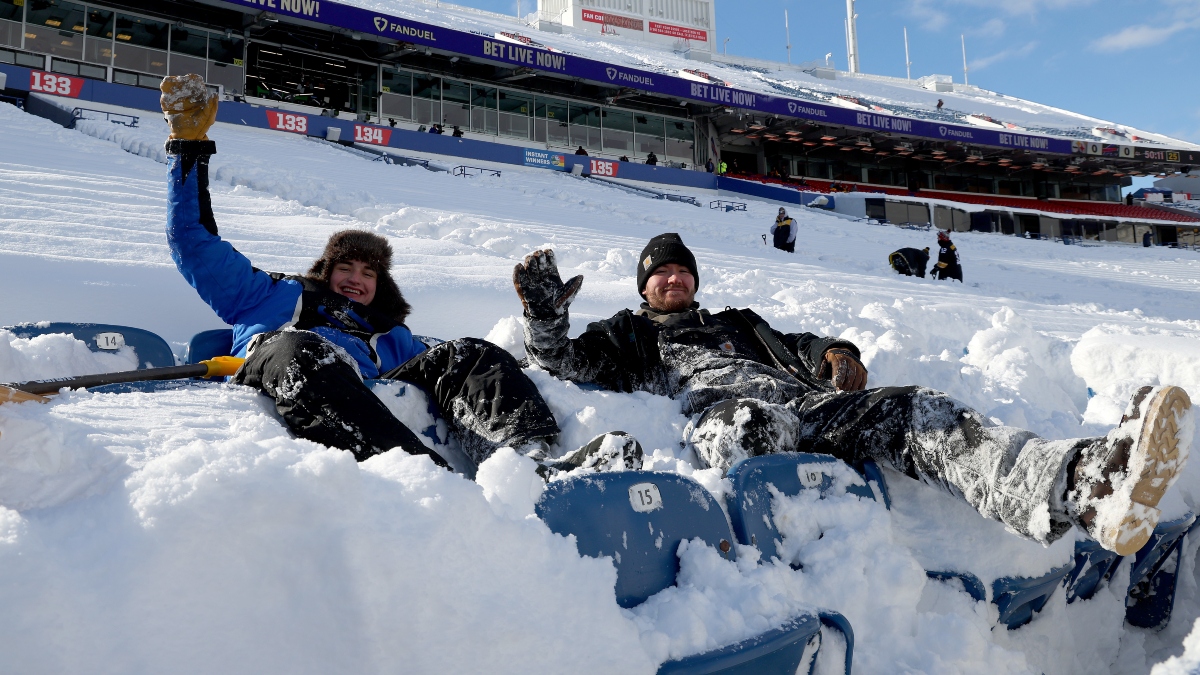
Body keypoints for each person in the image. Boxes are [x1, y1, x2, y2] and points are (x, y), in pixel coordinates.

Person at [512, 233, 1194, 556]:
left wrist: (838, 351)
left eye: (682, 271)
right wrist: (545, 318)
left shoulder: (738, 322)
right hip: (723, 419)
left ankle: (1084, 485)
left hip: (812, 411)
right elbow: (567, 362)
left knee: (913, 408)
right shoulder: (632, 335)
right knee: (752, 423)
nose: (673, 280)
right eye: (660, 274)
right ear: (643, 287)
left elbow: (804, 344)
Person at [157, 74, 626, 477]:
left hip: (359, 371)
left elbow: (465, 367)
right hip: (284, 360)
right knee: (304, 350)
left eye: (368, 273)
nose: (356, 279)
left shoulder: (388, 335)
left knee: (468, 352)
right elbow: (191, 240)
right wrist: (188, 147)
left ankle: (530, 461)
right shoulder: (267, 295)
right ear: (325, 272)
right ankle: (429, 479)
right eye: (346, 268)